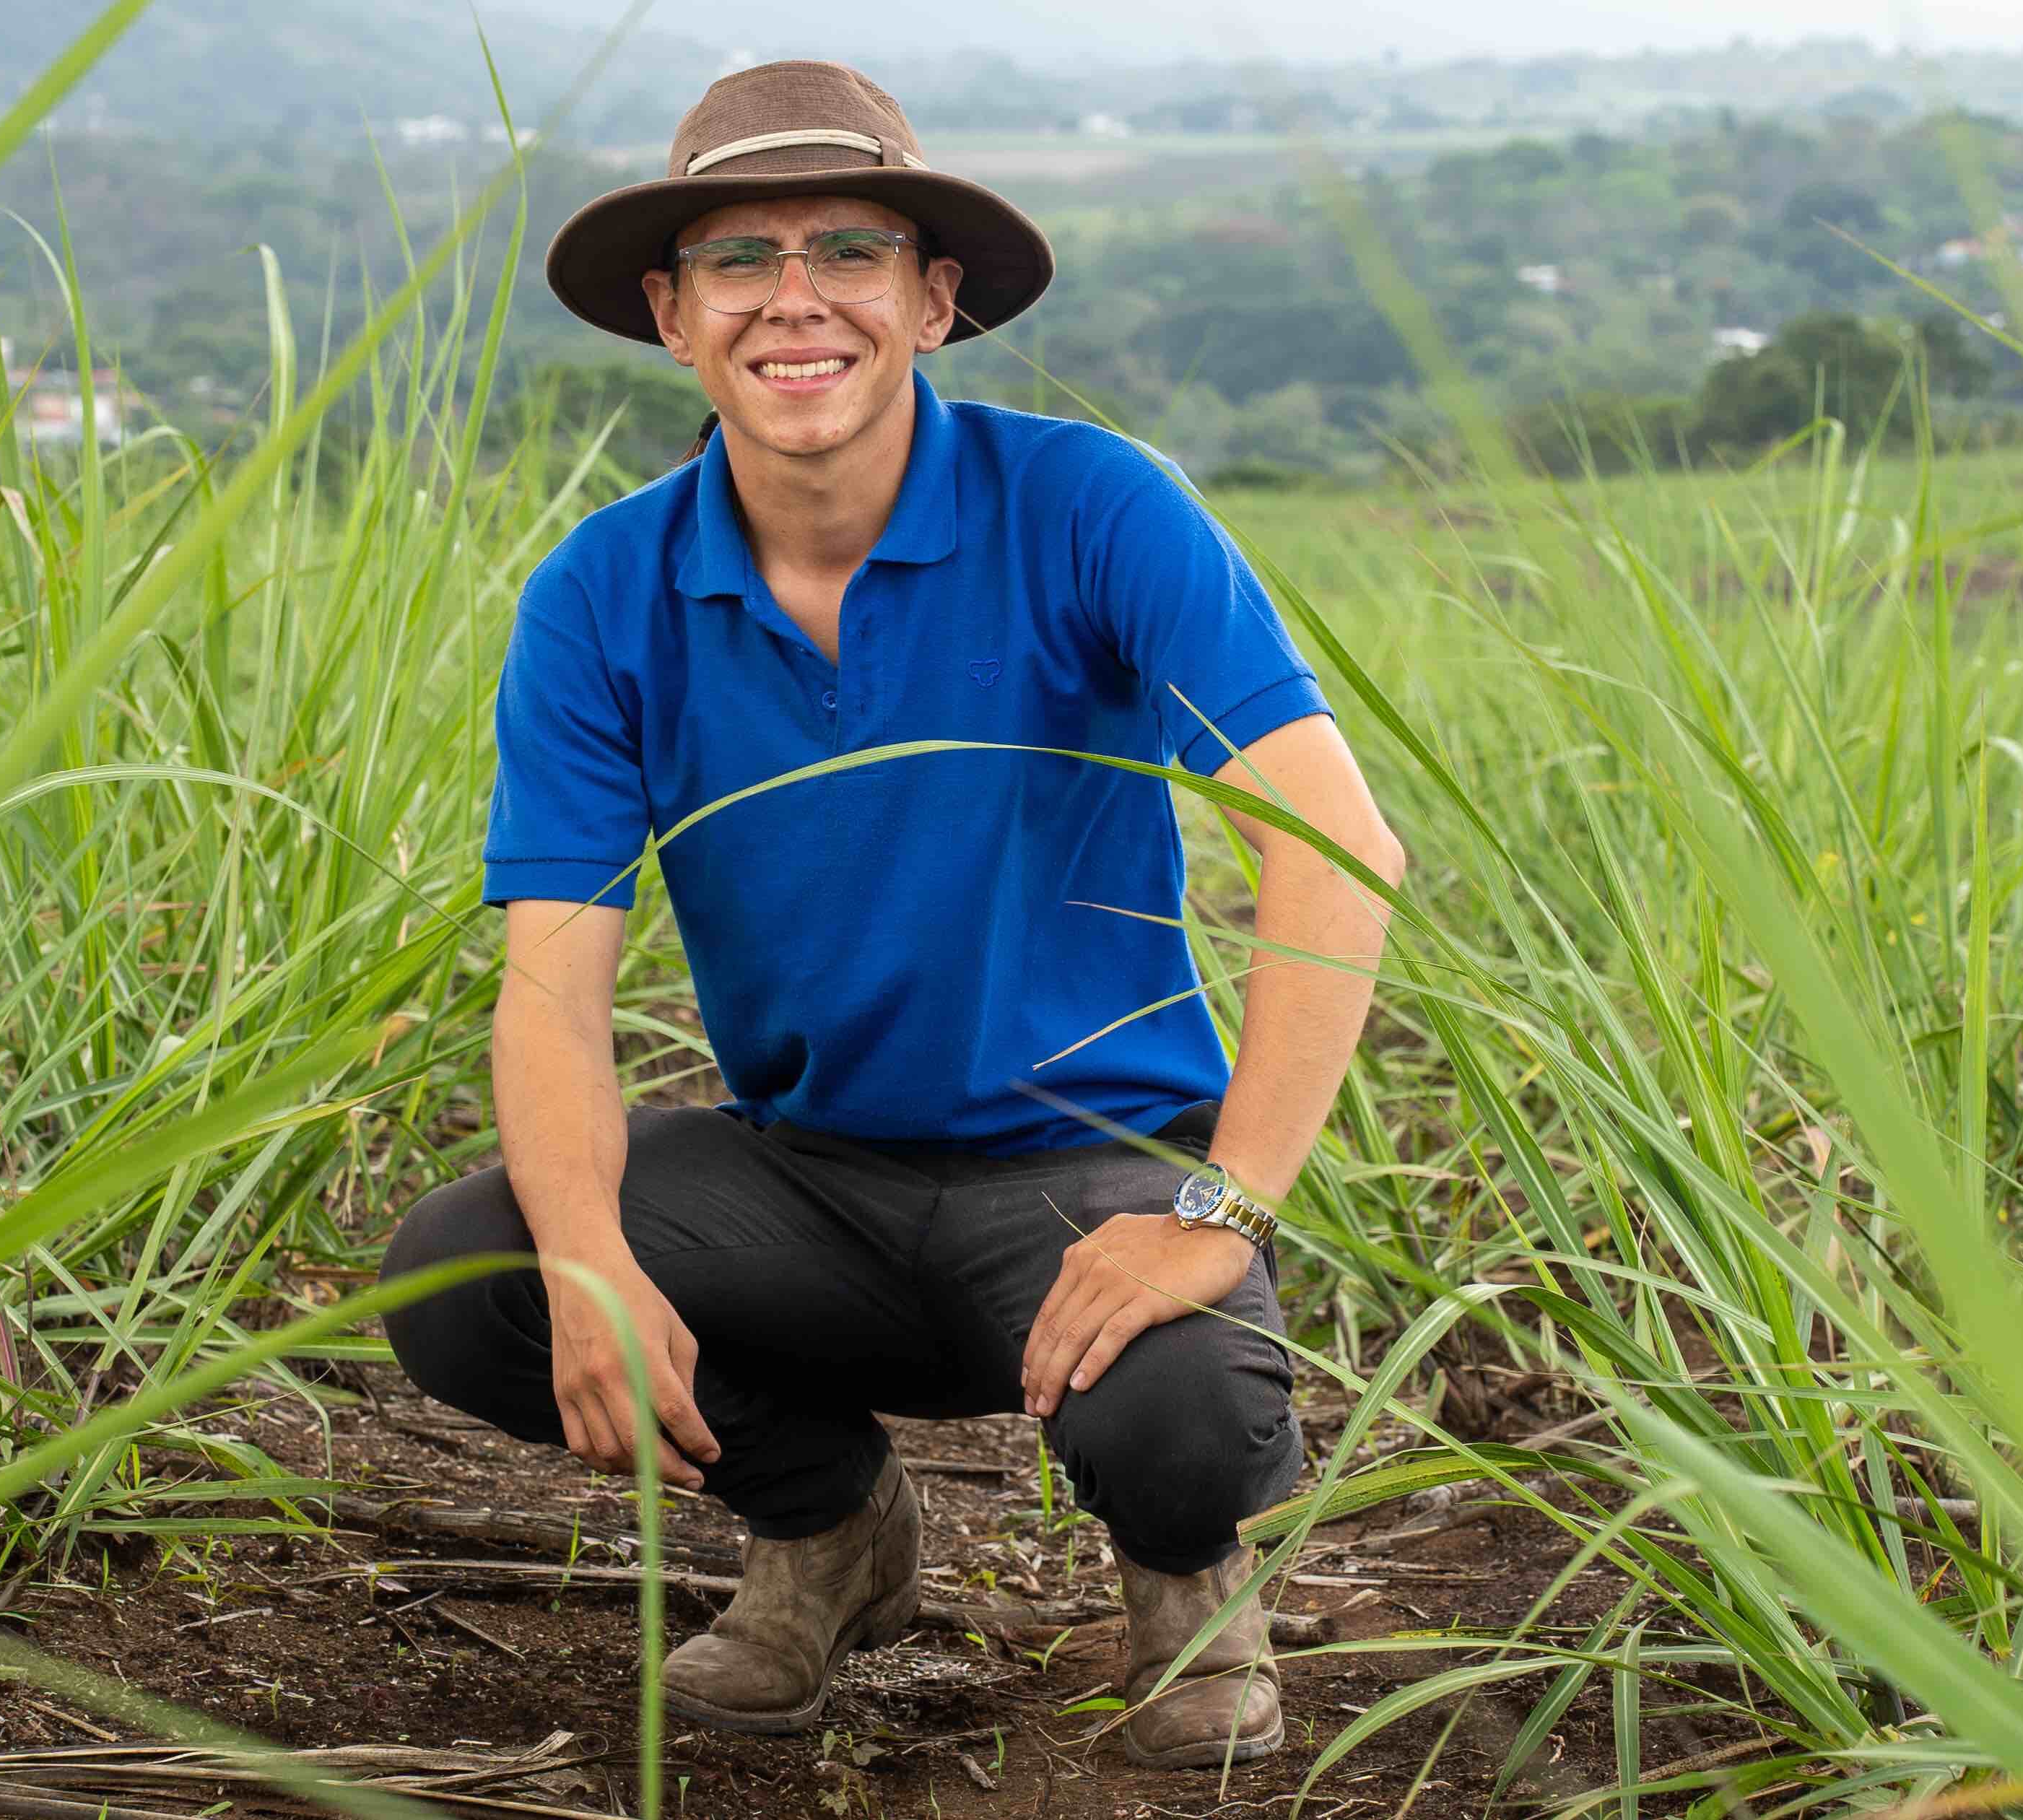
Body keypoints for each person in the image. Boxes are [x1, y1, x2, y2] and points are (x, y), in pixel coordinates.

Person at [379, 59, 1406, 1771]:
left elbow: (1338, 850)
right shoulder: (602, 592)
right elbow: (551, 989)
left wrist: (1219, 1208)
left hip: (1090, 1165)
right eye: (739, 257)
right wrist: (585, 1258)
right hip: (809, 1183)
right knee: (471, 1270)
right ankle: (829, 1530)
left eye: (848, 251)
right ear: (673, 313)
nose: (795, 298)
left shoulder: (1091, 506)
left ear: (932, 301)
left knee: (1180, 1413)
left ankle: (1185, 1582)